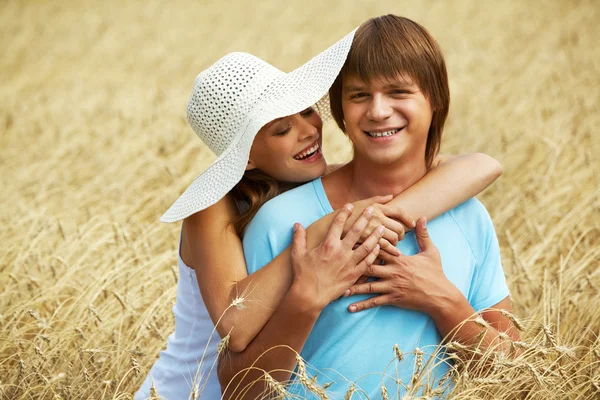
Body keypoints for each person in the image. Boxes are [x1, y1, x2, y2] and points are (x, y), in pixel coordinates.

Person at [136, 28, 503, 400]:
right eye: (281, 129)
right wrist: (322, 233)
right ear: (245, 158)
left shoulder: (312, 178)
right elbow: (235, 323)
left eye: (307, 111)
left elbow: (479, 165)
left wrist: (386, 216)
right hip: (186, 391)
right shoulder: (215, 208)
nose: (308, 131)